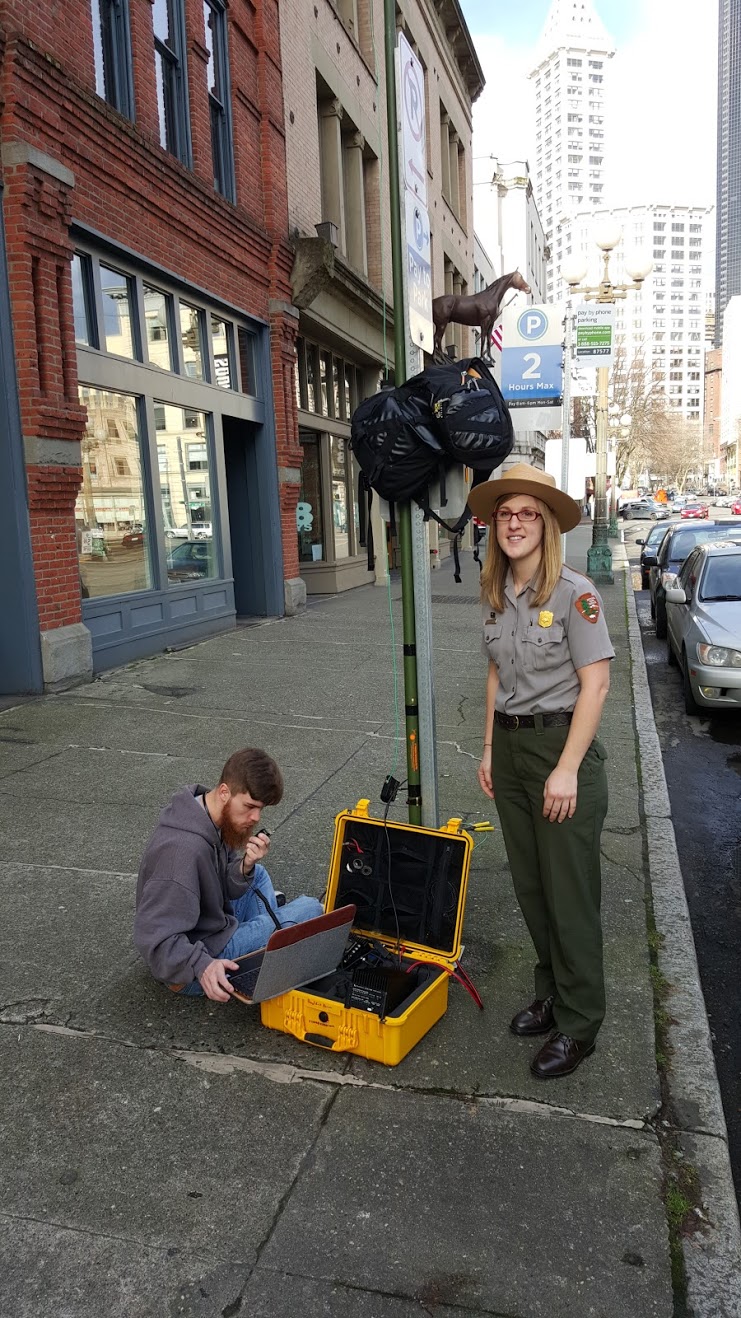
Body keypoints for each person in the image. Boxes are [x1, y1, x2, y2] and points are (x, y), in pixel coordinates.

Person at [467, 465, 615, 1079]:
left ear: (547, 524)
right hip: (511, 750)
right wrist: (488, 748)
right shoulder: (497, 592)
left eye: (528, 513)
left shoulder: (575, 593)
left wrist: (568, 768)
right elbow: (496, 674)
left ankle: (580, 1023)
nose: (515, 523)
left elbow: (596, 684)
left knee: (569, 896)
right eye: (506, 513)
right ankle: (552, 993)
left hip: (560, 752)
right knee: (532, 889)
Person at [134, 748, 323, 1002]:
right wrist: (201, 965)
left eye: (261, 809)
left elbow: (222, 883)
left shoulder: (210, 816)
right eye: (249, 807)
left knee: (257, 874)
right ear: (224, 792)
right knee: (311, 909)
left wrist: (245, 866)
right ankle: (265, 946)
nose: (255, 818)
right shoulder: (180, 853)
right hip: (195, 967)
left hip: (211, 926)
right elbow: (155, 939)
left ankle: (263, 947)